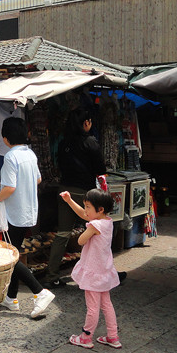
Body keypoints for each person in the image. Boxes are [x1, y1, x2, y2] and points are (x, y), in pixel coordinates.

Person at [0, 117, 55, 319]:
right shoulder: (30, 154)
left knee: (11, 256)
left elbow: (9, 188)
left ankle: (40, 292)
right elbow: (38, 179)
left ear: (5, 139)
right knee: (13, 251)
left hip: (14, 212)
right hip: (28, 210)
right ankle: (11, 298)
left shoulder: (10, 157)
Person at [43, 108, 105, 288]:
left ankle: (51, 275)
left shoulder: (63, 143)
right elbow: (101, 169)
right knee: (96, 231)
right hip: (85, 192)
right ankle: (101, 273)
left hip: (65, 191)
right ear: (86, 123)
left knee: (63, 233)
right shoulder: (90, 142)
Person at [61, 189, 122, 350]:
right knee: (106, 304)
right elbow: (84, 215)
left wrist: (86, 231)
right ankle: (113, 336)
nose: (86, 210)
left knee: (93, 307)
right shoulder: (107, 221)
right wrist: (69, 200)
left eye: (88, 206)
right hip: (104, 271)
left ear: (100, 209)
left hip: (93, 272)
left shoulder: (95, 225)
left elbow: (80, 241)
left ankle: (86, 337)